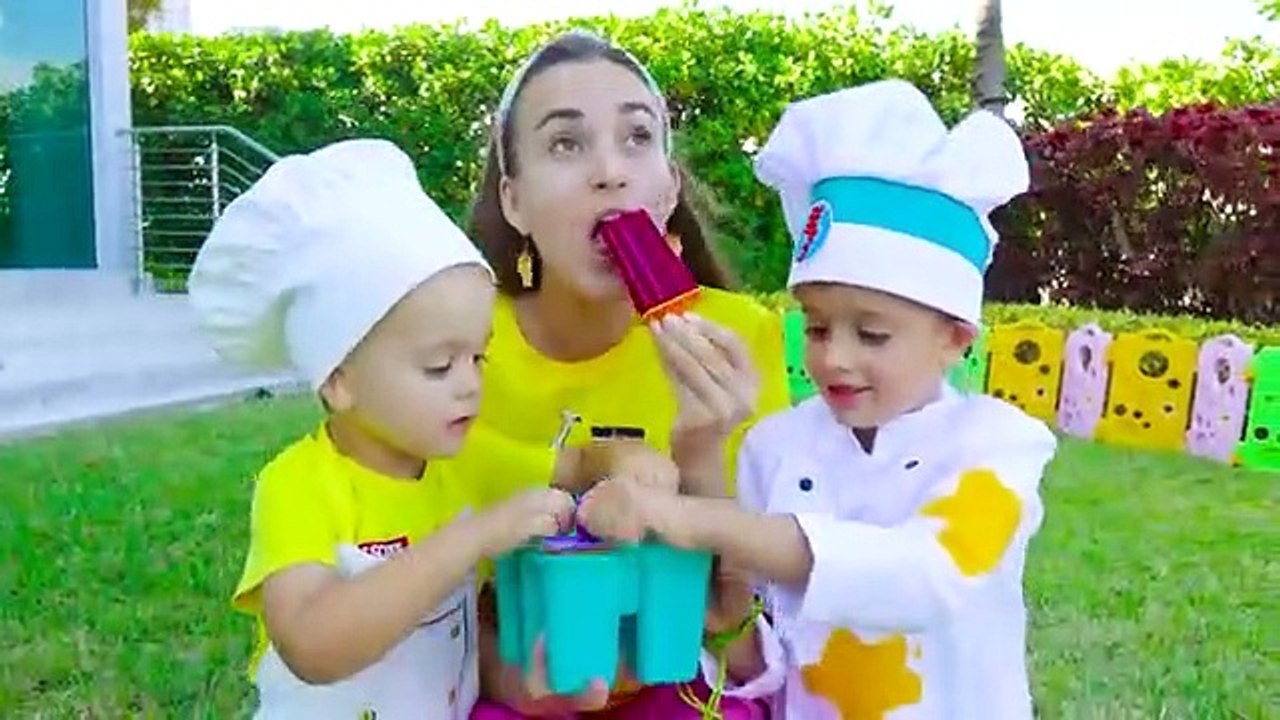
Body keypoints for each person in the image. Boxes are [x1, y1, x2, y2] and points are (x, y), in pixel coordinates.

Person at [578, 79, 1061, 719]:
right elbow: (763, 656)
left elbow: (927, 575)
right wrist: (729, 627)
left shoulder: (997, 446)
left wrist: (687, 518)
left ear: (953, 339)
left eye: (873, 333)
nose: (834, 357)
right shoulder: (776, 447)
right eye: (818, 325)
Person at [453, 30, 791, 719]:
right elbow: (418, 568)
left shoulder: (740, 337)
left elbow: (748, 637)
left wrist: (703, 464)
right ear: (513, 201)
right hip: (505, 679)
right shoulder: (456, 339)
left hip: (683, 681)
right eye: (566, 144)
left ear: (667, 189)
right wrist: (511, 685)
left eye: (637, 138)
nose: (611, 170)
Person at [188, 138, 579, 719]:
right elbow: (313, 646)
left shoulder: (467, 459)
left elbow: (577, 472)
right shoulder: (301, 487)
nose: (470, 384)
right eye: (439, 366)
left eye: (479, 358)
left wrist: (631, 468)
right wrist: (469, 539)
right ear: (339, 379)